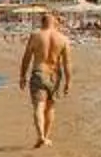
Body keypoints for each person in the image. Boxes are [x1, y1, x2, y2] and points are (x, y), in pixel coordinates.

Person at [17, 9, 73, 148]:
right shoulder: (63, 39)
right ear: (55, 23)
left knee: (39, 107)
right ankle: (46, 136)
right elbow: (67, 63)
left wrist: (22, 76)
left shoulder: (36, 36)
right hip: (54, 76)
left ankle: (41, 136)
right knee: (50, 107)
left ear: (42, 23)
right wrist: (68, 81)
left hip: (39, 73)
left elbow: (27, 57)